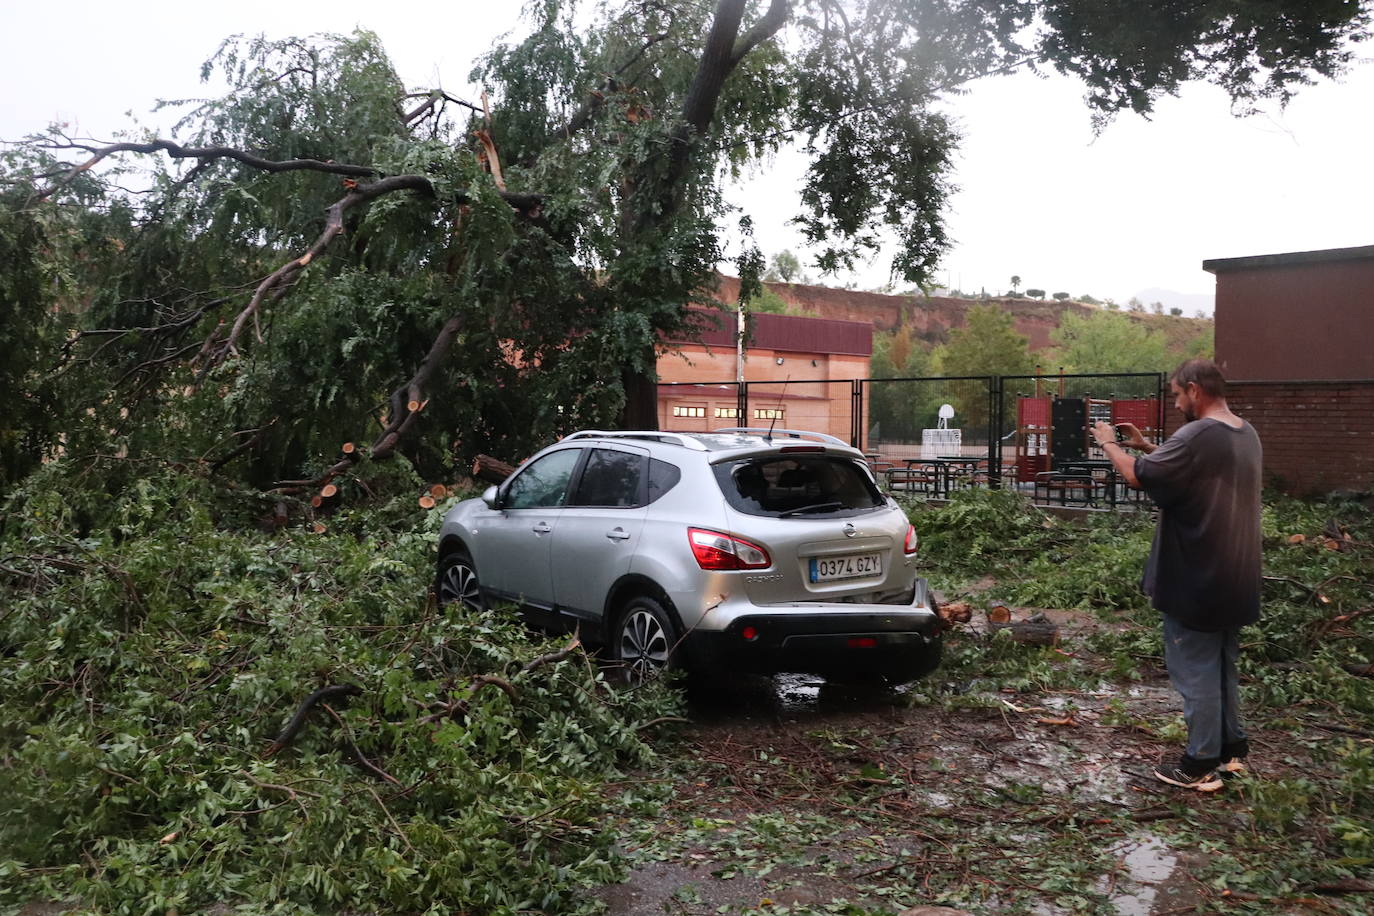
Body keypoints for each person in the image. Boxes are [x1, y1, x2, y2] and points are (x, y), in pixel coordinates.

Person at [1092, 359, 1262, 792]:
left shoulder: (1198, 433)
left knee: (1196, 670)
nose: (1176, 402)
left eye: (1176, 395)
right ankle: (1231, 749)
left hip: (1197, 575)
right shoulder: (1244, 433)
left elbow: (1134, 477)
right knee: (1222, 665)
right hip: (1236, 575)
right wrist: (1148, 445)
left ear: (1194, 390)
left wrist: (1109, 443)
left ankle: (1199, 761)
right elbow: (1182, 468)